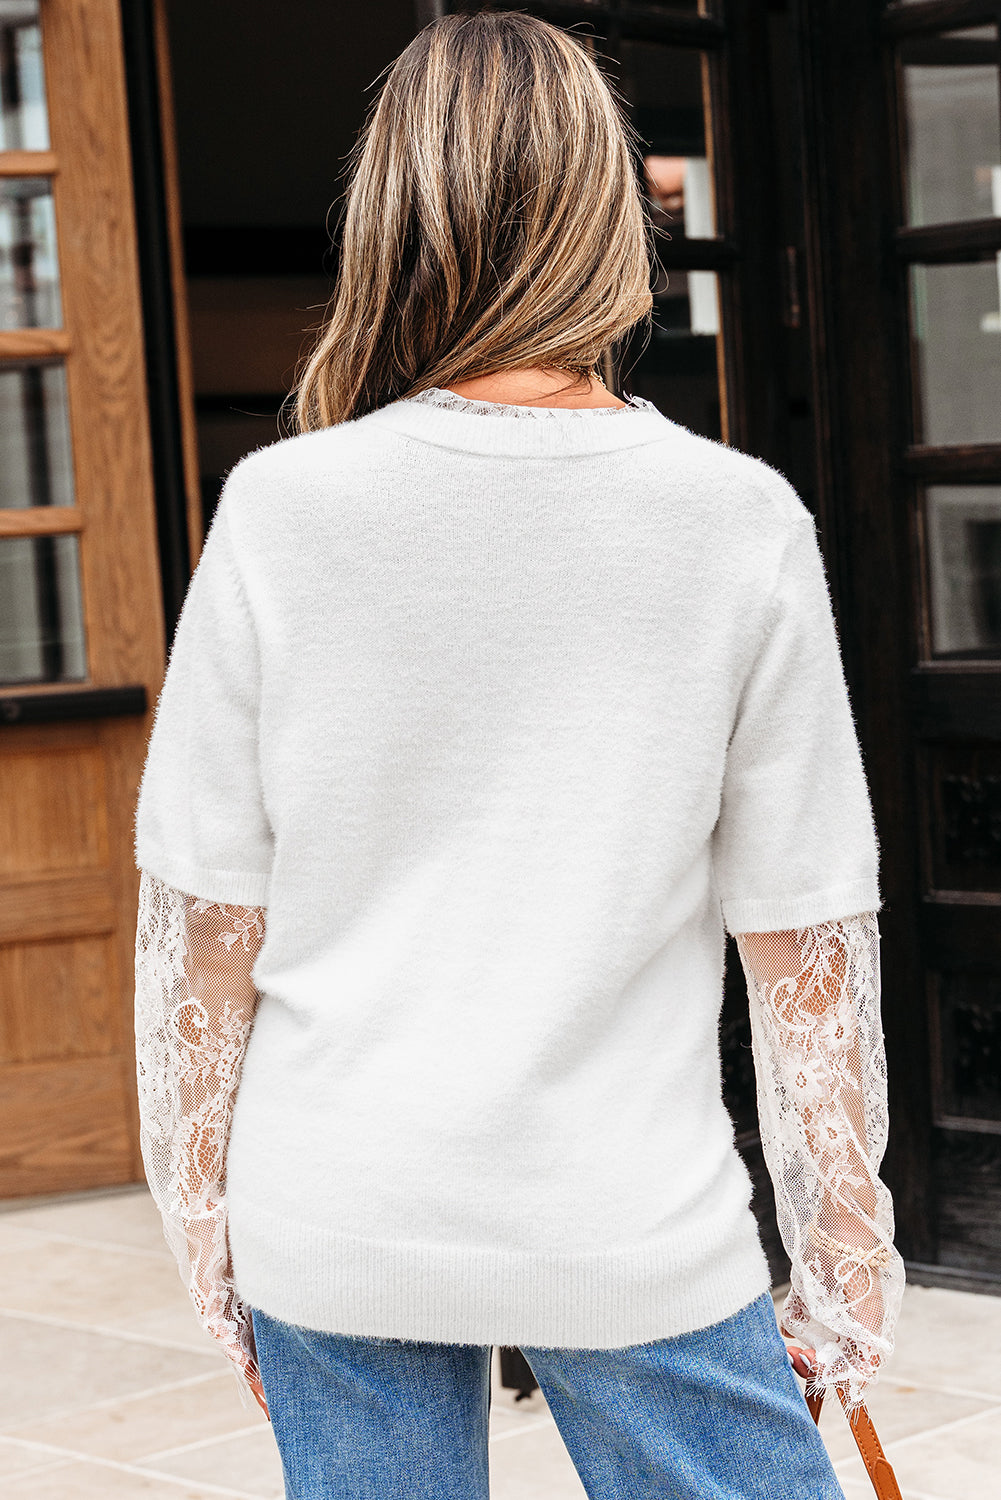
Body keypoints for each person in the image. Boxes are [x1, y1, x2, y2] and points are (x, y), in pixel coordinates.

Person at [133, 11, 905, 1497]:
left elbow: (206, 936)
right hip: (628, 1210)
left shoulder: (282, 510)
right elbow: (804, 947)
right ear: (608, 214)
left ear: (391, 217)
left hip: (336, 1204)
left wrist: (211, 1233)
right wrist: (841, 1266)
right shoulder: (735, 521)